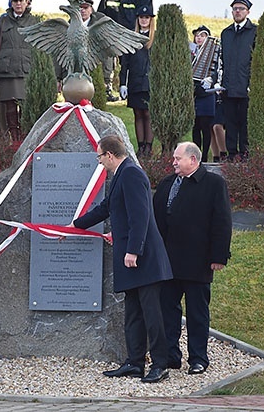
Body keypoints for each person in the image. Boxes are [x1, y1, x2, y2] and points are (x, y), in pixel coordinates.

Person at [70, 135, 173, 383]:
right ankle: (134, 363)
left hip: (143, 258)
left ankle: (160, 364)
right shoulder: (121, 175)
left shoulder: (132, 174)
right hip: (132, 258)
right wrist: (75, 226)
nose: (99, 162)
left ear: (109, 155)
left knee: (152, 314)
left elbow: (141, 216)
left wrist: (134, 250)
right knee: (133, 314)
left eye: (99, 157)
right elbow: (106, 208)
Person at [153, 142, 232, 375]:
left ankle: (198, 358)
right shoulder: (168, 183)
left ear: (194, 160)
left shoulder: (214, 184)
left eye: (178, 158)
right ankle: (170, 355)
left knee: (197, 313)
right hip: (169, 261)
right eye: (174, 158)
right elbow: (156, 219)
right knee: (168, 310)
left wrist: (219, 256)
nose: (174, 162)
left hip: (198, 261)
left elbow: (222, 222)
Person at [0, 0, 38, 142]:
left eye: (21, 1)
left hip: (27, 72)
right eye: (15, 1)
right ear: (11, 3)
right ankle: (6, 144)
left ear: (26, 2)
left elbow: (41, 49)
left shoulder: (34, 22)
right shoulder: (1, 22)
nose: (18, 4)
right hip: (6, 72)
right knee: (6, 110)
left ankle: (24, 142)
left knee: (25, 110)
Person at [220, 0, 257, 160]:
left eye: (241, 9)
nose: (237, 11)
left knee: (245, 122)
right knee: (230, 121)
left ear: (248, 11)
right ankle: (231, 152)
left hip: (245, 85)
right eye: (235, 9)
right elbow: (222, 58)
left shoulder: (254, 31)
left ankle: (245, 152)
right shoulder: (226, 33)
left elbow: (256, 60)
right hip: (229, 84)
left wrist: (252, 82)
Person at [119, 5, 155, 157]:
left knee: (148, 114)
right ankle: (140, 147)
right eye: (141, 17)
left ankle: (149, 146)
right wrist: (122, 83)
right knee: (138, 114)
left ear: (150, 20)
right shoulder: (132, 38)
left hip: (150, 84)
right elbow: (125, 63)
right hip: (134, 82)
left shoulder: (155, 38)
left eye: (146, 18)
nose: (144, 20)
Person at [190, 25, 219, 162]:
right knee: (195, 127)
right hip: (194, 93)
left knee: (206, 126)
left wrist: (211, 80)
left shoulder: (213, 51)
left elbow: (217, 68)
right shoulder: (191, 52)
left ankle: (205, 155)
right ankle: (196, 154)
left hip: (207, 93)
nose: (199, 37)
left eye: (202, 35)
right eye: (197, 35)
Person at [97, 0, 127, 101]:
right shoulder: (106, 0)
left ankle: (124, 91)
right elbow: (98, 17)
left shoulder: (128, 2)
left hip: (124, 38)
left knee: (125, 65)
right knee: (109, 65)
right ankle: (107, 91)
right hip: (109, 38)